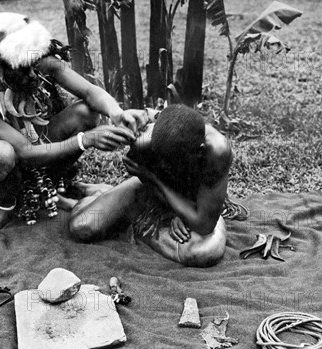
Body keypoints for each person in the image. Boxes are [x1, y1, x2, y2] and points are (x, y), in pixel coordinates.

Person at [0, 12, 148, 230]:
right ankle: (4, 208)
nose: (33, 75)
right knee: (0, 154)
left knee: (86, 112)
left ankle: (54, 189)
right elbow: (24, 151)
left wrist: (117, 112)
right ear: (0, 64)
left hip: (37, 149)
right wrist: (85, 140)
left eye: (33, 66)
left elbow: (89, 92)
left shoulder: (33, 60)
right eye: (23, 70)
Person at [67, 104, 234, 267]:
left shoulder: (217, 150)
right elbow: (145, 180)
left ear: (199, 150)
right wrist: (154, 183)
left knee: (204, 252)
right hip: (150, 192)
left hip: (194, 201)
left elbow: (204, 225)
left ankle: (129, 220)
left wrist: (184, 212)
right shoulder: (145, 137)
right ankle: (114, 204)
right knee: (81, 226)